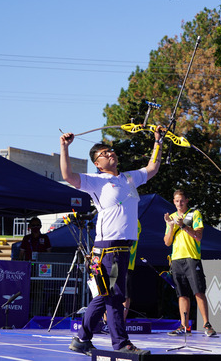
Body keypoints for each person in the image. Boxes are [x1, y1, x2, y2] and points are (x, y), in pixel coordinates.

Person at [60, 127, 162, 356]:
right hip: (107, 248)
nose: (110, 154)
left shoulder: (128, 177)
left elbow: (153, 168)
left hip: (123, 248)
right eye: (104, 154)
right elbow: (68, 176)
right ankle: (121, 343)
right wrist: (64, 148)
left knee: (106, 294)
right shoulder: (96, 181)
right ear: (97, 163)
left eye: (111, 151)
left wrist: (158, 142)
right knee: (115, 295)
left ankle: (82, 339)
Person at [163, 189, 216, 337]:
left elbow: (198, 236)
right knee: (182, 294)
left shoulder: (195, 214)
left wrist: (184, 226)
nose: (179, 203)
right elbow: (167, 242)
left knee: (198, 291)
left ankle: (206, 324)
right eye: (176, 201)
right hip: (176, 259)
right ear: (173, 202)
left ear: (187, 200)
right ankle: (184, 326)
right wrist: (172, 225)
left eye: (181, 200)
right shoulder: (171, 217)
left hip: (192, 257)